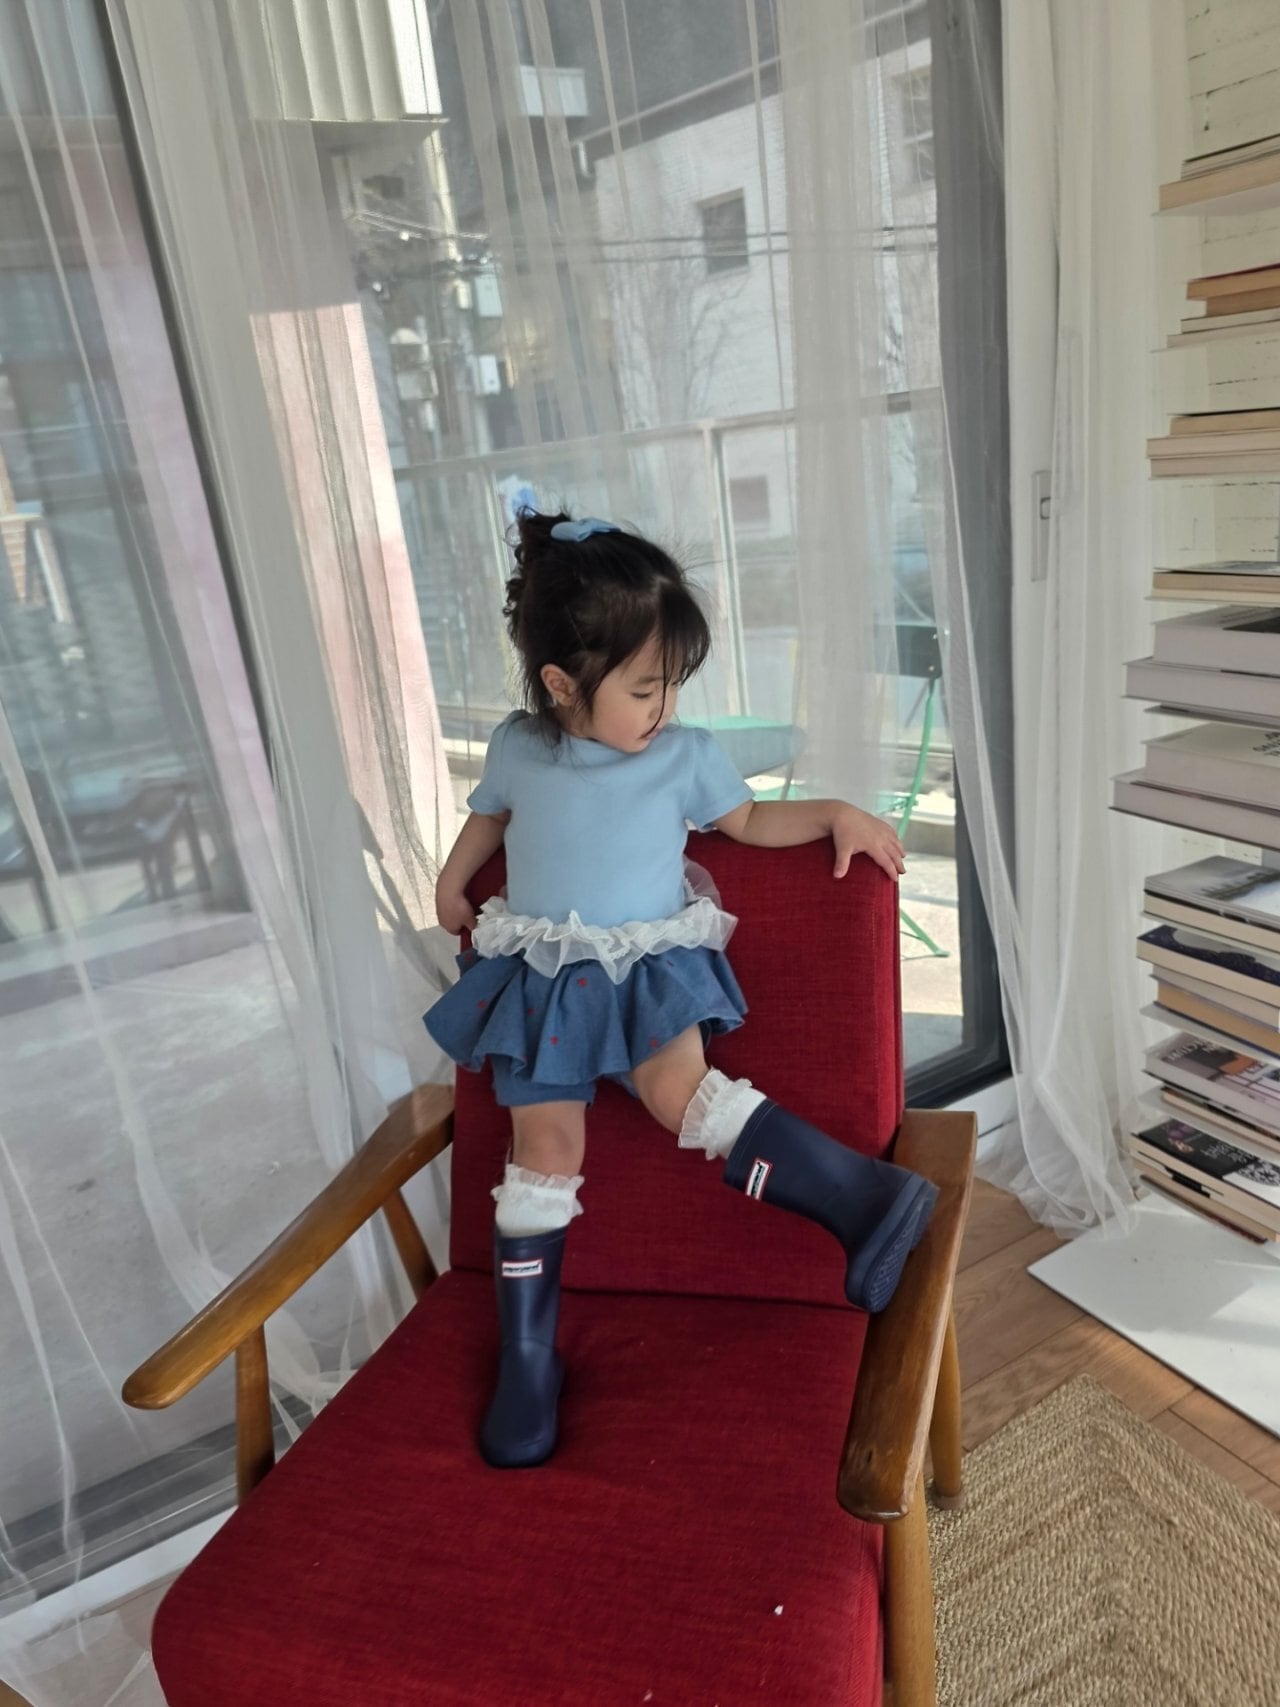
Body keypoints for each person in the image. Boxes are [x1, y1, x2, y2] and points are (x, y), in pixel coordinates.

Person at [427, 510, 937, 1470]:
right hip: (541, 975)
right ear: (560, 682)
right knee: (544, 1143)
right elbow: (489, 818)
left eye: (671, 684)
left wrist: (834, 810)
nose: (663, 706)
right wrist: (454, 881)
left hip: (646, 966)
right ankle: (529, 1356)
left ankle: (862, 1198)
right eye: (643, 688)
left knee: (678, 1094)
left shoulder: (685, 753)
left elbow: (747, 822)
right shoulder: (518, 747)